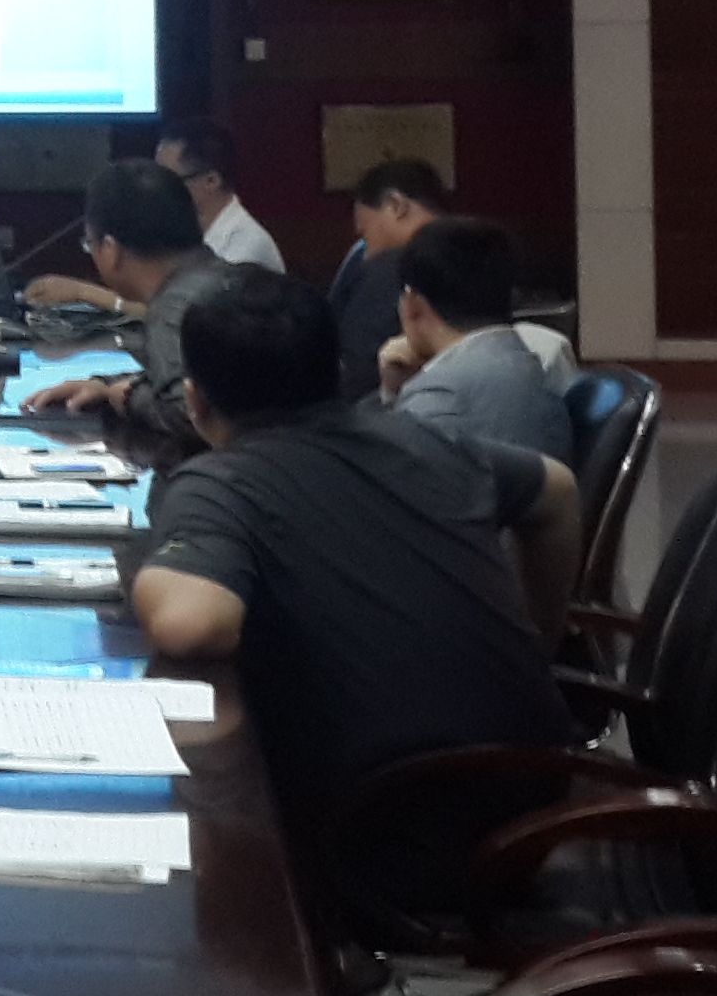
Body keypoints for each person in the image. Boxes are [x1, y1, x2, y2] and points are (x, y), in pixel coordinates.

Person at [132, 277, 580, 915]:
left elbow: (192, 623)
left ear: (196, 401)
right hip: (537, 797)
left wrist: (146, 574)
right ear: (338, 373)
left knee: (189, 893)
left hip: (389, 833)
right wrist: (542, 641)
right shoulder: (431, 441)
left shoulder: (220, 480)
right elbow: (557, 490)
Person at [20, 160, 249, 453]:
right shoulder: (227, 277)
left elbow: (192, 414)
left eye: (90, 244)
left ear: (111, 250)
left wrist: (128, 397)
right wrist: (108, 387)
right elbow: (206, 386)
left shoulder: (173, 307)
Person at [379, 216, 578, 463]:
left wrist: (391, 396)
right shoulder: (540, 366)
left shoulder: (439, 394)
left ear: (413, 305)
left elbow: (384, 474)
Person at [328, 159, 449, 403]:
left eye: (365, 231)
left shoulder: (392, 266)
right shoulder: (480, 255)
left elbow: (358, 362)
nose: (365, 247)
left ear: (396, 205)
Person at [158, 117, 285, 273]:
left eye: (168, 179)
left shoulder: (245, 247)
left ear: (211, 181)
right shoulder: (179, 232)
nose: (157, 187)